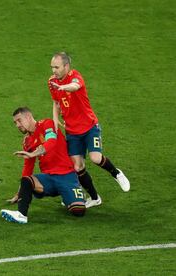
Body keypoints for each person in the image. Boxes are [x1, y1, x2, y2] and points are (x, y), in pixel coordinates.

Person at [48, 52, 130, 208]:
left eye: (57, 67)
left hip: (89, 126)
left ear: (66, 66)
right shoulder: (52, 81)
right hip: (72, 131)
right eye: (52, 67)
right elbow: (56, 101)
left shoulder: (75, 76)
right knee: (77, 166)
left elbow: (74, 87)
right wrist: (55, 119)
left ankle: (116, 173)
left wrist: (62, 86)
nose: (54, 71)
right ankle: (94, 198)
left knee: (95, 158)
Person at [0, 107, 86, 224]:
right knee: (26, 180)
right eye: (15, 122)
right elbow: (28, 167)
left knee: (78, 211)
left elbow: (52, 141)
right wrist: (19, 193)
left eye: (19, 120)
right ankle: (21, 215)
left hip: (66, 175)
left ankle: (69, 195)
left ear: (29, 117)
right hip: (48, 179)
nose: (17, 125)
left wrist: (33, 153)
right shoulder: (27, 141)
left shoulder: (47, 124)